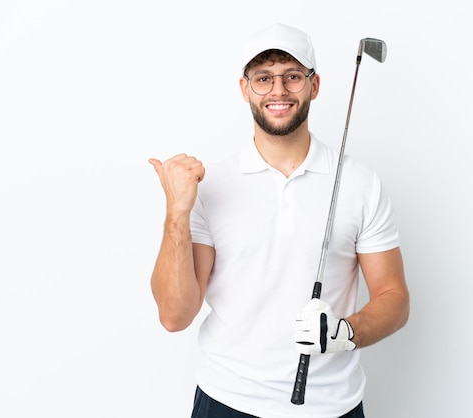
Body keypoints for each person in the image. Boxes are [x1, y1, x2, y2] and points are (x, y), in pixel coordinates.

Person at [148, 22, 409, 418]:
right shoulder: (212, 184)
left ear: (314, 85)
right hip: (227, 400)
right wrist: (176, 212)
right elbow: (174, 315)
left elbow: (394, 297)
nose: (278, 91)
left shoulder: (359, 183)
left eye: (292, 77)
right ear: (244, 89)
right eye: (263, 78)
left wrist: (345, 333)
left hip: (332, 406)